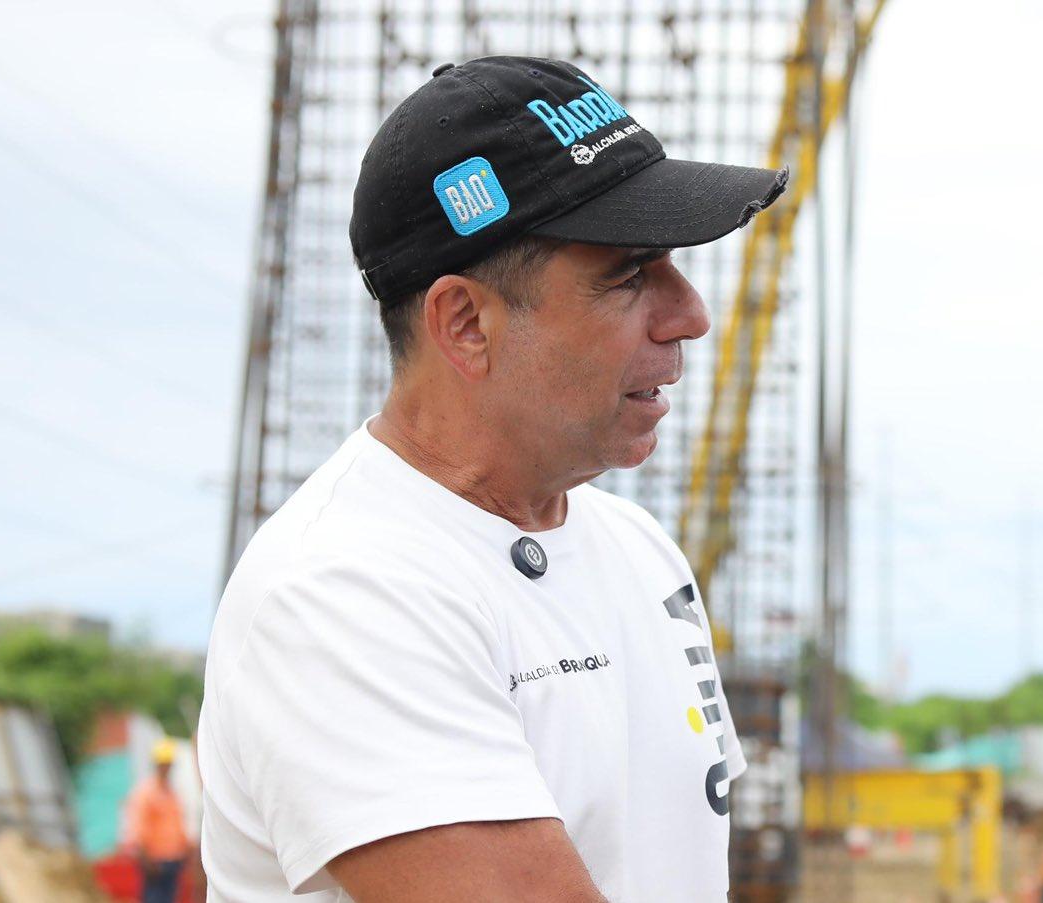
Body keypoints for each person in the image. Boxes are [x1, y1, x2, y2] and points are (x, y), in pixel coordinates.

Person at [196, 56, 787, 902]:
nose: (689, 314)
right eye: (629, 274)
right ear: (465, 323)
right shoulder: (342, 591)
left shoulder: (637, 549)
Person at [121, 738, 191, 903]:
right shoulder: (145, 793)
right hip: (154, 862)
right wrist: (146, 860)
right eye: (164, 763)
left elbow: (176, 825)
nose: (167, 768)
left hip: (173, 859)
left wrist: (185, 850)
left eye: (169, 763)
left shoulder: (171, 792)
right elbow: (137, 830)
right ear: (157, 764)